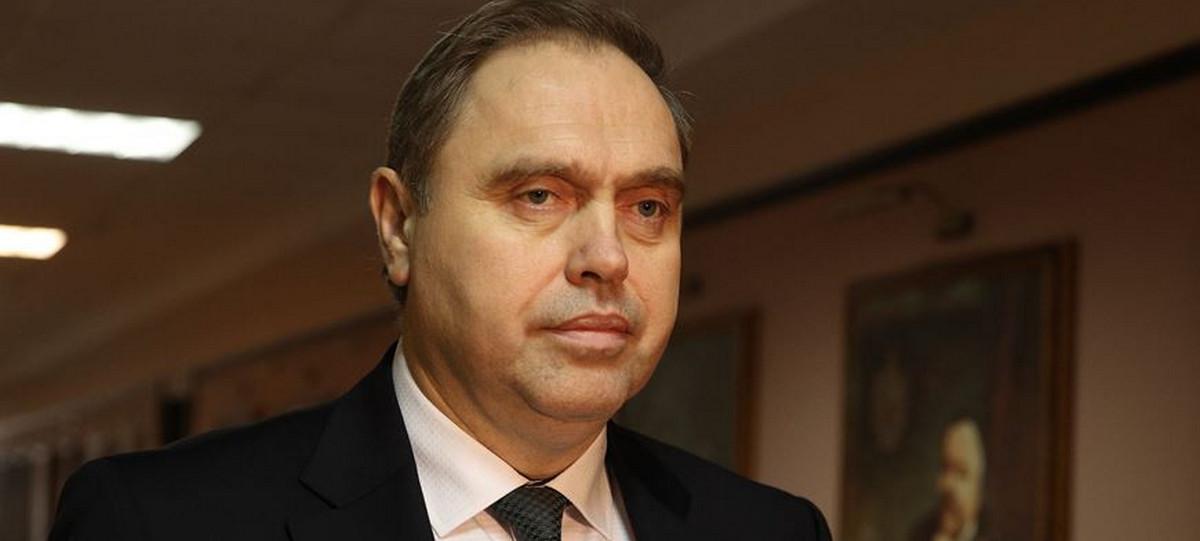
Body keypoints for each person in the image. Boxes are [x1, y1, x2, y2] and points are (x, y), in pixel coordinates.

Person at [50, 1, 831, 539]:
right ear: (399, 225)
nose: (608, 257)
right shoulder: (158, 520)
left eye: (649, 206)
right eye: (538, 195)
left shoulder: (772, 529)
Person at [909, 418, 988, 541]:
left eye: (961, 473)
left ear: (980, 487)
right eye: (944, 468)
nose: (948, 484)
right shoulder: (919, 535)